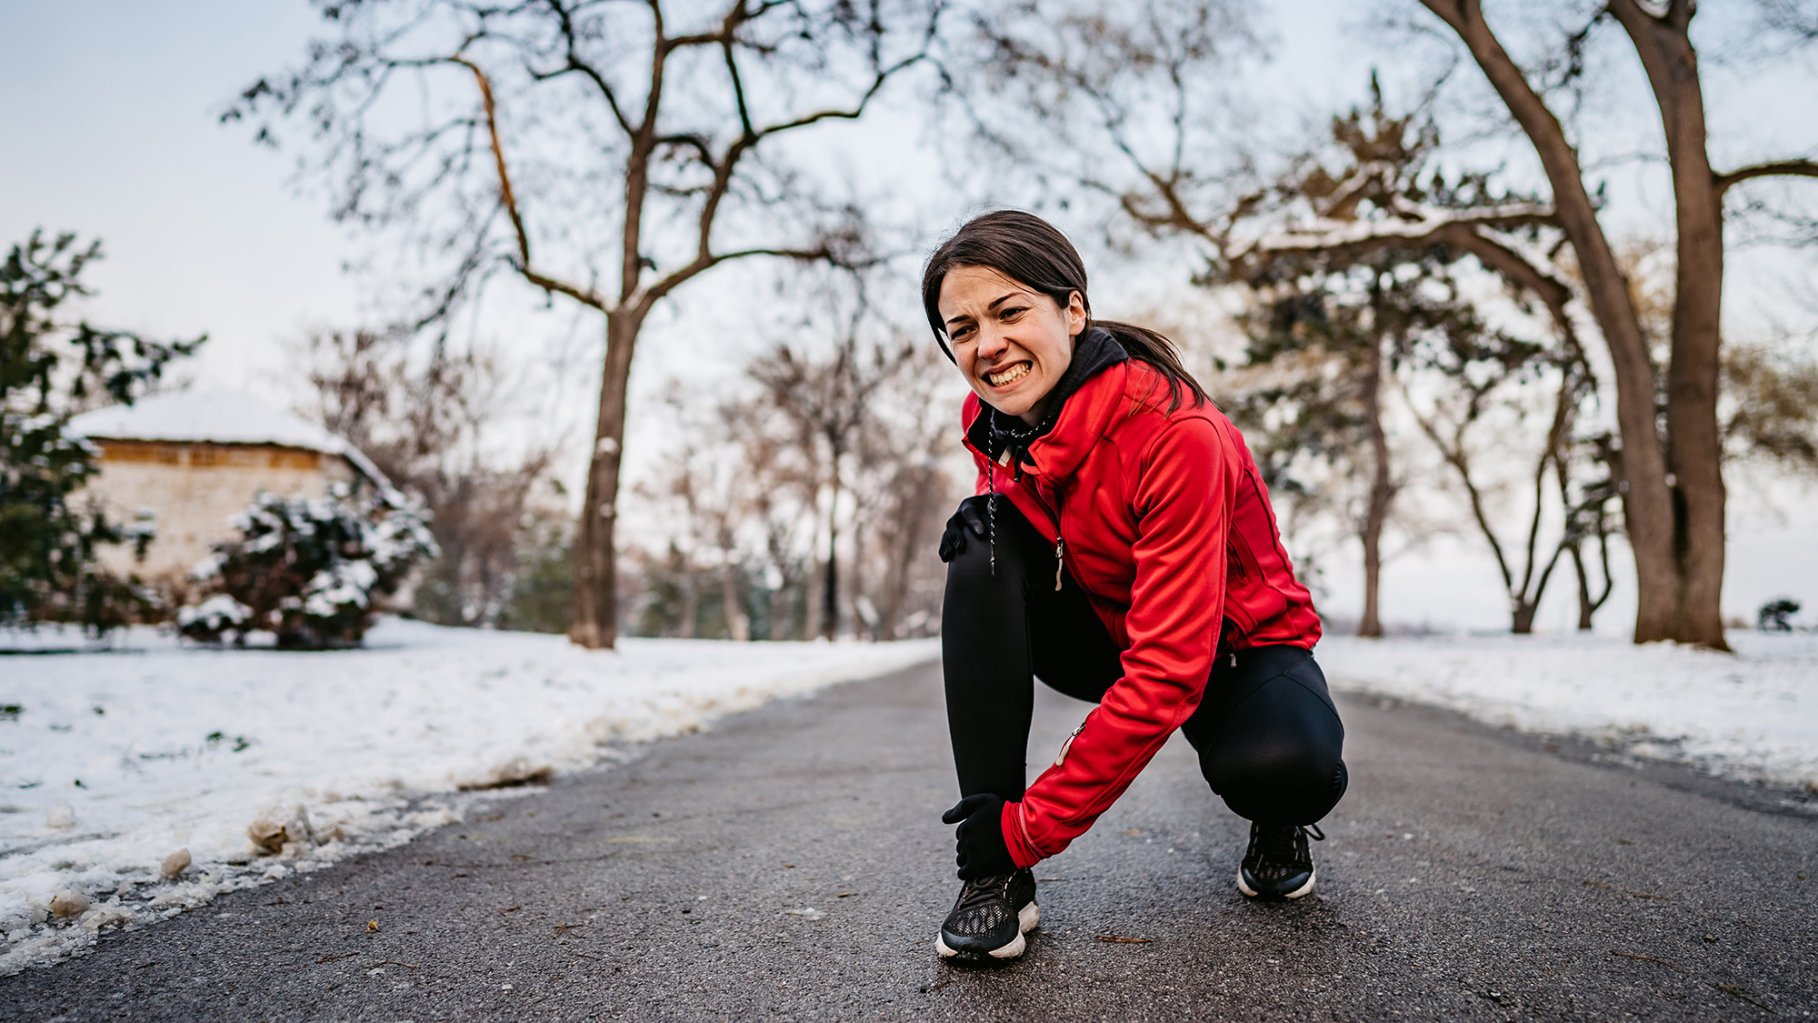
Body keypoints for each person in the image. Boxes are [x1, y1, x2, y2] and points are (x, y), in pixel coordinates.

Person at [924, 210, 1347, 964]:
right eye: (961, 328)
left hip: (1231, 648)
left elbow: (1168, 670)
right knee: (981, 540)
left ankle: (1277, 818)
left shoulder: (1177, 434)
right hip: (1109, 625)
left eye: (1009, 311)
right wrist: (991, 524)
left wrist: (1036, 823)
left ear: (1073, 310)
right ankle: (993, 872)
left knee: (1285, 765)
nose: (987, 345)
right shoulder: (994, 418)